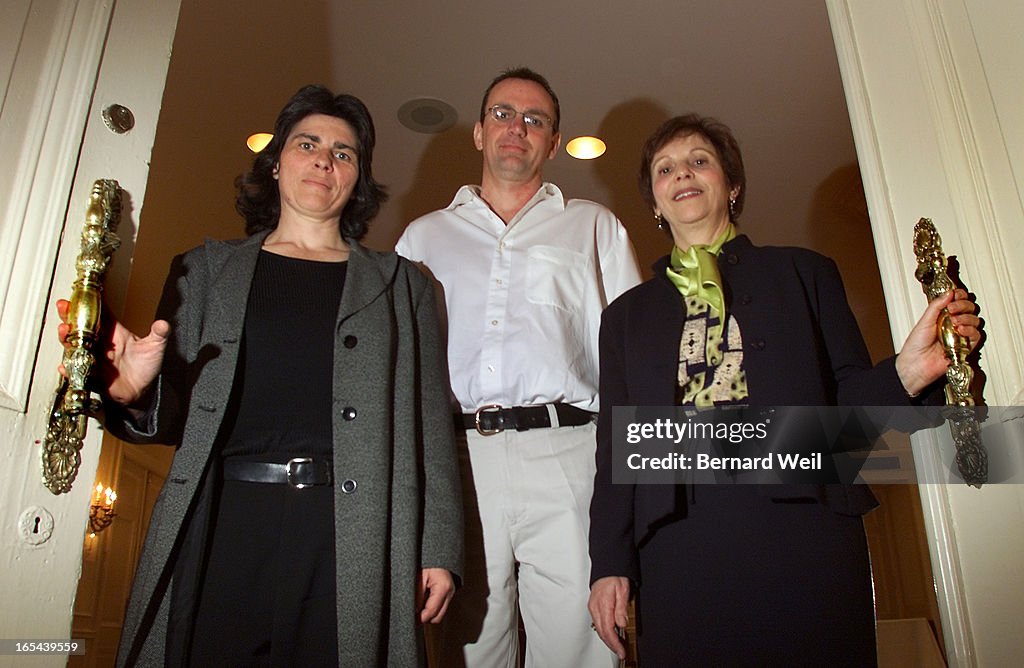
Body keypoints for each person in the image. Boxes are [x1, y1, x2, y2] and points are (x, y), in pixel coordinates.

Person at [57, 85, 462, 666]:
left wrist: (438, 546)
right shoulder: (204, 271)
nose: (325, 159)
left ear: (358, 179)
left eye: (344, 153)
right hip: (225, 522)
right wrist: (129, 389)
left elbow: (430, 423)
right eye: (308, 144)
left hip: (349, 533)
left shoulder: (403, 286)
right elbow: (167, 422)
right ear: (275, 163)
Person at [587, 114, 982, 665]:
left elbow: (848, 412)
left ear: (733, 184)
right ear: (654, 200)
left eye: (700, 161)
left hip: (805, 530)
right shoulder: (625, 318)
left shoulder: (805, 273)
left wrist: (907, 374)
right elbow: (616, 449)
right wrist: (609, 562)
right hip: (679, 542)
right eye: (665, 168)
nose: (683, 174)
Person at [396, 68, 641, 667]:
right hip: (457, 461)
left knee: (582, 643)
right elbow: (395, 368)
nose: (517, 128)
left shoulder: (594, 227)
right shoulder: (422, 239)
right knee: (469, 646)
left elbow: (633, 360)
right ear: (479, 133)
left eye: (536, 120)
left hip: (569, 454)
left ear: (553, 143)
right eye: (503, 114)